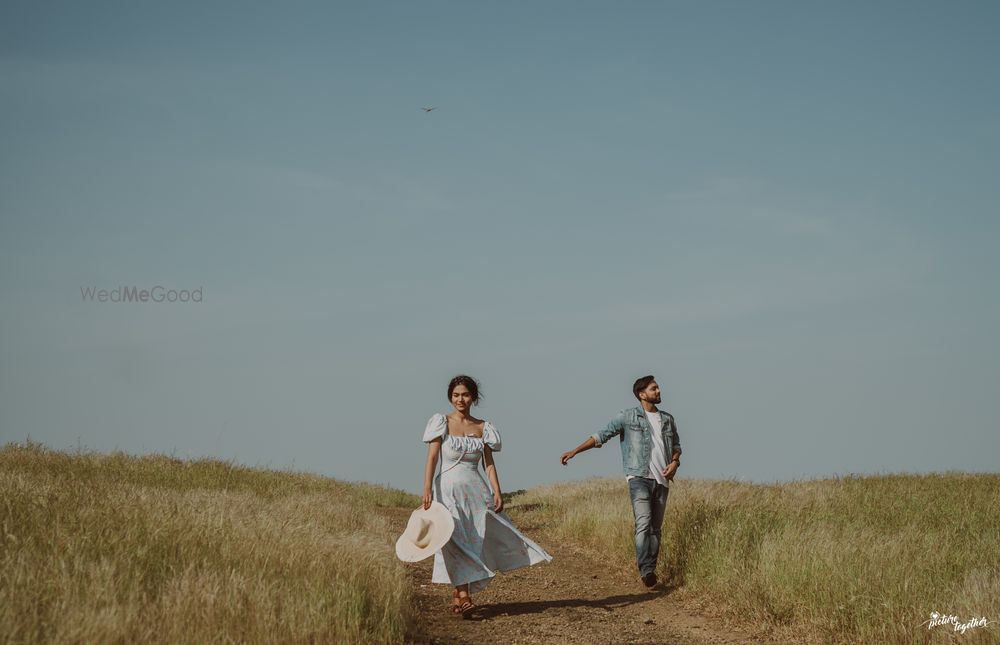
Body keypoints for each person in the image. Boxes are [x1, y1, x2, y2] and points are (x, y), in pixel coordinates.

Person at [421, 374, 552, 616]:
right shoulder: (441, 422)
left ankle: (460, 592)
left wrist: (497, 490)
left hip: (475, 491)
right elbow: (432, 457)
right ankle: (464, 594)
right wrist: (427, 488)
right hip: (447, 490)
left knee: (474, 539)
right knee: (454, 539)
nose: (460, 399)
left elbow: (488, 464)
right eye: (456, 395)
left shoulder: (484, 427)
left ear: (474, 397)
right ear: (450, 397)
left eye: (466, 394)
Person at [560, 375, 681, 589]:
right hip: (638, 477)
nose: (659, 390)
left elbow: (677, 447)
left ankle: (650, 569)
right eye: (654, 388)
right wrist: (575, 450)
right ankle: (645, 570)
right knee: (643, 523)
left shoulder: (668, 419)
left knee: (655, 528)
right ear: (642, 394)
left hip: (662, 480)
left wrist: (675, 462)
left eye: (658, 387)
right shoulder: (627, 416)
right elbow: (601, 436)